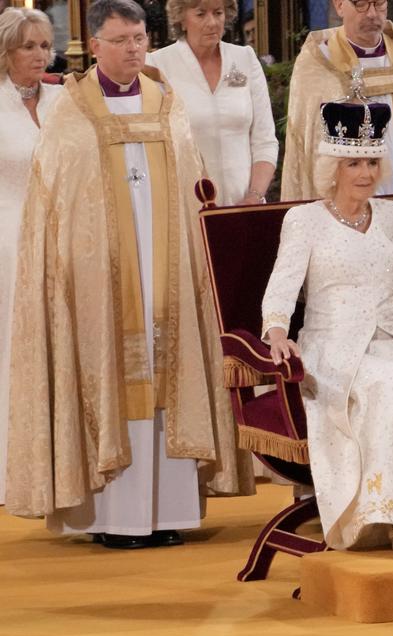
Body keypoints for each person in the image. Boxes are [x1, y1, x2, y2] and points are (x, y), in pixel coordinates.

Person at [4, 0, 251, 548]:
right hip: (100, 277)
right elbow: (59, 201)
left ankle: (168, 512)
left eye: (139, 38)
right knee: (113, 375)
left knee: (168, 374)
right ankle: (114, 518)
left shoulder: (167, 102)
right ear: (95, 46)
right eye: (120, 40)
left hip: (166, 269)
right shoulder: (73, 110)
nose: (133, 49)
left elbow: (193, 183)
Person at [262, 101, 393, 555]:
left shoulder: (390, 216)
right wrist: (277, 331)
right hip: (334, 348)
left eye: (370, 162)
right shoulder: (303, 221)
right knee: (390, 384)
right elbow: (282, 287)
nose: (365, 173)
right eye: (353, 163)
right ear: (333, 167)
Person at [282, 0, 393, 286]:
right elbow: (306, 145)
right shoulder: (318, 61)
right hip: (344, 194)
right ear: (339, 6)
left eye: (378, 4)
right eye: (360, 4)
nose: (371, 14)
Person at [0, 6, 62, 507]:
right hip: (7, 240)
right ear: (6, 52)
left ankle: (56, 470)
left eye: (45, 45)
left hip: (63, 242)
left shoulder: (67, 101)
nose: (40, 54)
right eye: (28, 46)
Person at [148, 0, 277, 206]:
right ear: (181, 18)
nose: (212, 22)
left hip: (245, 204)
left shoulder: (244, 58)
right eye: (201, 14)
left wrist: (254, 196)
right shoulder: (157, 65)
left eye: (218, 13)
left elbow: (265, 140)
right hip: (187, 207)